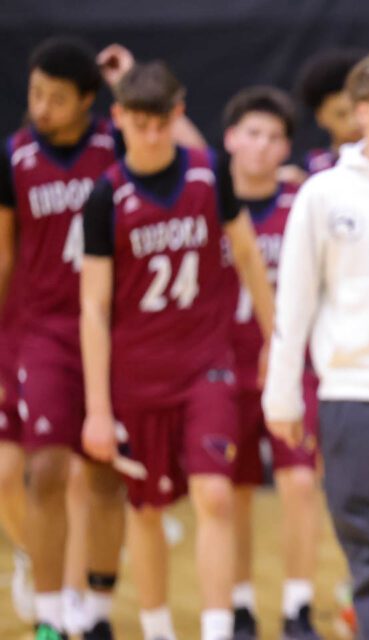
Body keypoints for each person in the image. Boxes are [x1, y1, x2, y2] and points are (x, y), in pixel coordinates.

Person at [79, 60, 276, 640]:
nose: (152, 133)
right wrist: (95, 408)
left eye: (161, 120)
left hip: (206, 366)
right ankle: (158, 627)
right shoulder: (104, 197)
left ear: (177, 114)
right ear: (117, 118)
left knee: (214, 495)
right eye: (138, 122)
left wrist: (274, 339)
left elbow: (247, 258)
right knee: (146, 508)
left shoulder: (210, 173)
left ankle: (216, 630)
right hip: (137, 375)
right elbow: (92, 306)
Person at [0, 37, 173, 639]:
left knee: (103, 475)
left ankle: (96, 614)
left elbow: (200, 170)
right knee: (44, 470)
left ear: (89, 103)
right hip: (41, 333)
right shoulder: (15, 156)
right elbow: (4, 254)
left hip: (113, 332)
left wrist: (130, 87)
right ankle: (50, 615)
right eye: (34, 94)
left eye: (57, 97)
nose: (42, 106)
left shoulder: (117, 142)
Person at [264, 50, 369, 640]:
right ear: (361, 111)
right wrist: (281, 398)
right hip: (350, 397)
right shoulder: (322, 193)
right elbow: (294, 301)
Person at [219, 86, 323, 640]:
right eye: (252, 133)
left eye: (274, 136)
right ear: (231, 138)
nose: (262, 146)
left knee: (300, 484)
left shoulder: (301, 204)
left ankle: (298, 606)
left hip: (292, 363)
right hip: (222, 366)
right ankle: (237, 605)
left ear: (286, 146)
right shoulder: (207, 202)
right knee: (231, 491)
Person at [295, 49, 365, 175]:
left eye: (358, 112)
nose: (353, 122)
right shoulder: (307, 171)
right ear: (320, 116)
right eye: (340, 114)